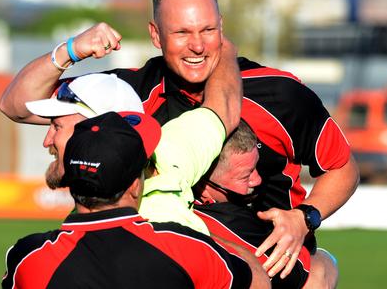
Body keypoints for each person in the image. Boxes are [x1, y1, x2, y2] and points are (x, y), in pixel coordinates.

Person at [0, 0, 360, 278]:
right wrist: (71, 50)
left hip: (272, 265)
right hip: (169, 266)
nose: (198, 46)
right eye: (182, 33)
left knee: (319, 270)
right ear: (156, 35)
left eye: (207, 30)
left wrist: (305, 217)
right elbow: (17, 105)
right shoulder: (128, 95)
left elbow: (343, 168)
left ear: (222, 27)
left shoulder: (281, 94)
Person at [2, 111, 268, 288]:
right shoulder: (189, 249)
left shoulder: (28, 256)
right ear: (134, 185)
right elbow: (257, 281)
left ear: (69, 177)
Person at [18, 39, 241, 235]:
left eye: (57, 127)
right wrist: (219, 41)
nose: (47, 141)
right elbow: (224, 104)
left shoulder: (132, 232)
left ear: (97, 131)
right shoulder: (172, 148)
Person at [193, 120, 339, 289]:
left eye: (256, 167)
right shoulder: (230, 221)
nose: (257, 179)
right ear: (203, 186)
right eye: (244, 176)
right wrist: (327, 258)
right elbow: (316, 280)